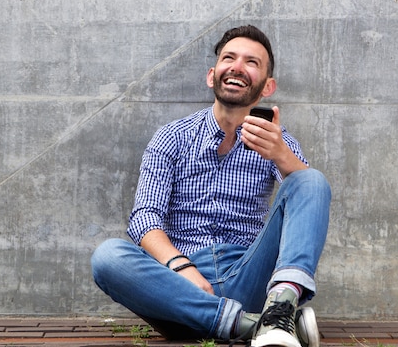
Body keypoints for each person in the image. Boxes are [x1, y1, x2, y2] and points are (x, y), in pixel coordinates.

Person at [91, 25, 331, 347]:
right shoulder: (172, 137)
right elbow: (144, 218)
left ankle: (279, 306)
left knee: (311, 179)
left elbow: (307, 200)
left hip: (248, 273)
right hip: (179, 288)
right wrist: (183, 268)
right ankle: (260, 325)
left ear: (267, 86)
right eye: (228, 58)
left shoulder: (279, 143)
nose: (236, 67)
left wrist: (282, 156)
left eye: (251, 62)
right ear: (212, 75)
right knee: (107, 257)